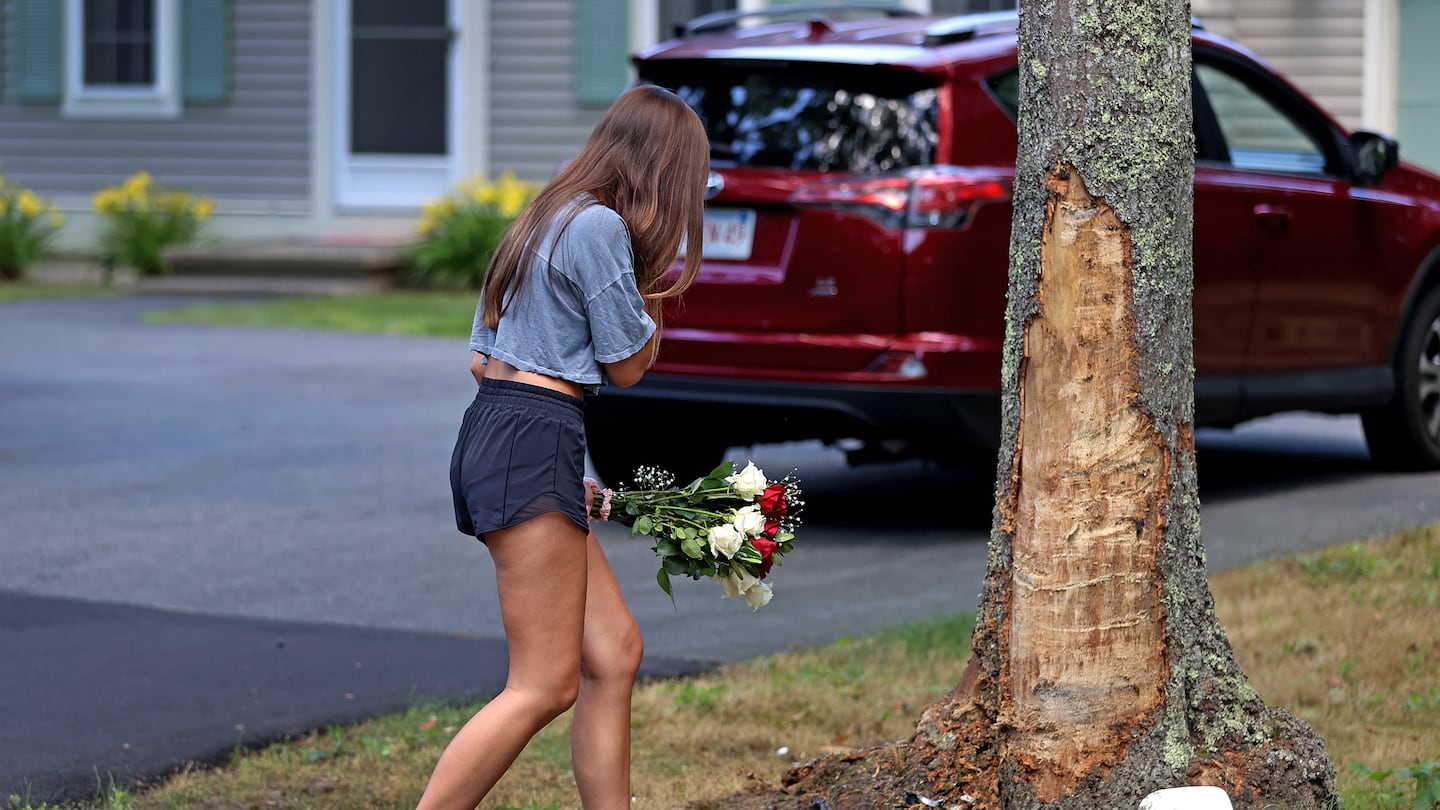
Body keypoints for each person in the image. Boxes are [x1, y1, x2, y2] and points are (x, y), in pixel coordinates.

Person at [416, 85, 709, 810]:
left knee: (614, 654)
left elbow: (484, 360)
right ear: (664, 174)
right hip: (533, 435)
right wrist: (654, 282)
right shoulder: (601, 229)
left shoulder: (541, 217)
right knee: (542, 684)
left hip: (506, 427)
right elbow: (628, 364)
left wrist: (546, 459)